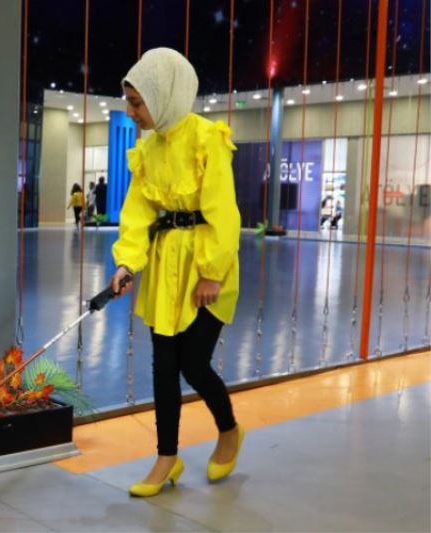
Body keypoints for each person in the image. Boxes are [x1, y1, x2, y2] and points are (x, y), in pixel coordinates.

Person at [109, 48, 244, 497]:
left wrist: (212, 273)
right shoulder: (147, 149)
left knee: (193, 364)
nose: (132, 113)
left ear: (163, 95)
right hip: (166, 266)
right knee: (163, 367)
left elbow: (224, 213)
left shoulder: (207, 138)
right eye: (130, 103)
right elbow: (137, 213)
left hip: (206, 268)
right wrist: (127, 262)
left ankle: (229, 430)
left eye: (137, 103)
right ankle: (167, 458)